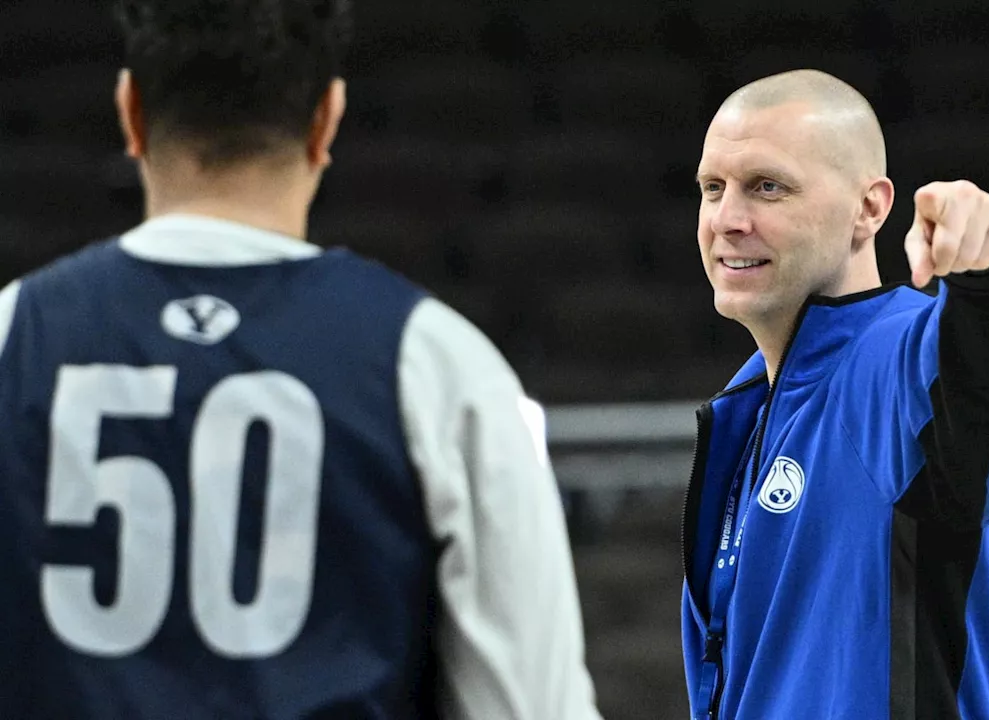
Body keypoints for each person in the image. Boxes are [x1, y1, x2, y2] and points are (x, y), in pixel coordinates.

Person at [0, 1, 601, 718]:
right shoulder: (438, 362)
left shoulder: (11, 332)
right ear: (327, 119)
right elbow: (530, 705)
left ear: (130, 112)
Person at [680, 69, 989, 720]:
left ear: (871, 208)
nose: (728, 220)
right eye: (714, 189)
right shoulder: (743, 408)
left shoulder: (897, 365)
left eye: (768, 187)